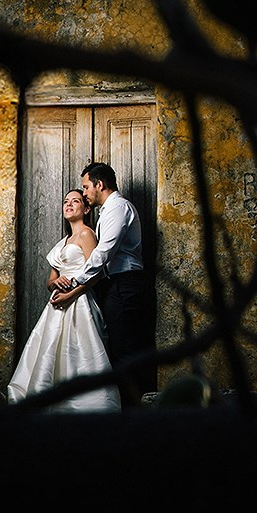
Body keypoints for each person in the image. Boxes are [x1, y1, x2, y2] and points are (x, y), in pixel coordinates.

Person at [5, 189, 119, 411]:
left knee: (79, 350)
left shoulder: (87, 235)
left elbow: (96, 274)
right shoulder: (63, 242)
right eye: (66, 201)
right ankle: (50, 398)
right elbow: (50, 280)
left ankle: (82, 404)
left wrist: (71, 294)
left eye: (75, 201)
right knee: (50, 349)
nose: (68, 205)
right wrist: (56, 286)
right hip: (57, 304)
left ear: (86, 209)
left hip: (79, 301)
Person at [77, 161, 153, 406]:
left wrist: (76, 280)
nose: (85, 193)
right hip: (116, 285)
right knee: (119, 350)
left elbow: (104, 252)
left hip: (126, 285)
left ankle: (136, 414)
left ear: (100, 184)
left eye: (86, 187)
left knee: (126, 352)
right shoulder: (109, 210)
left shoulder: (119, 207)